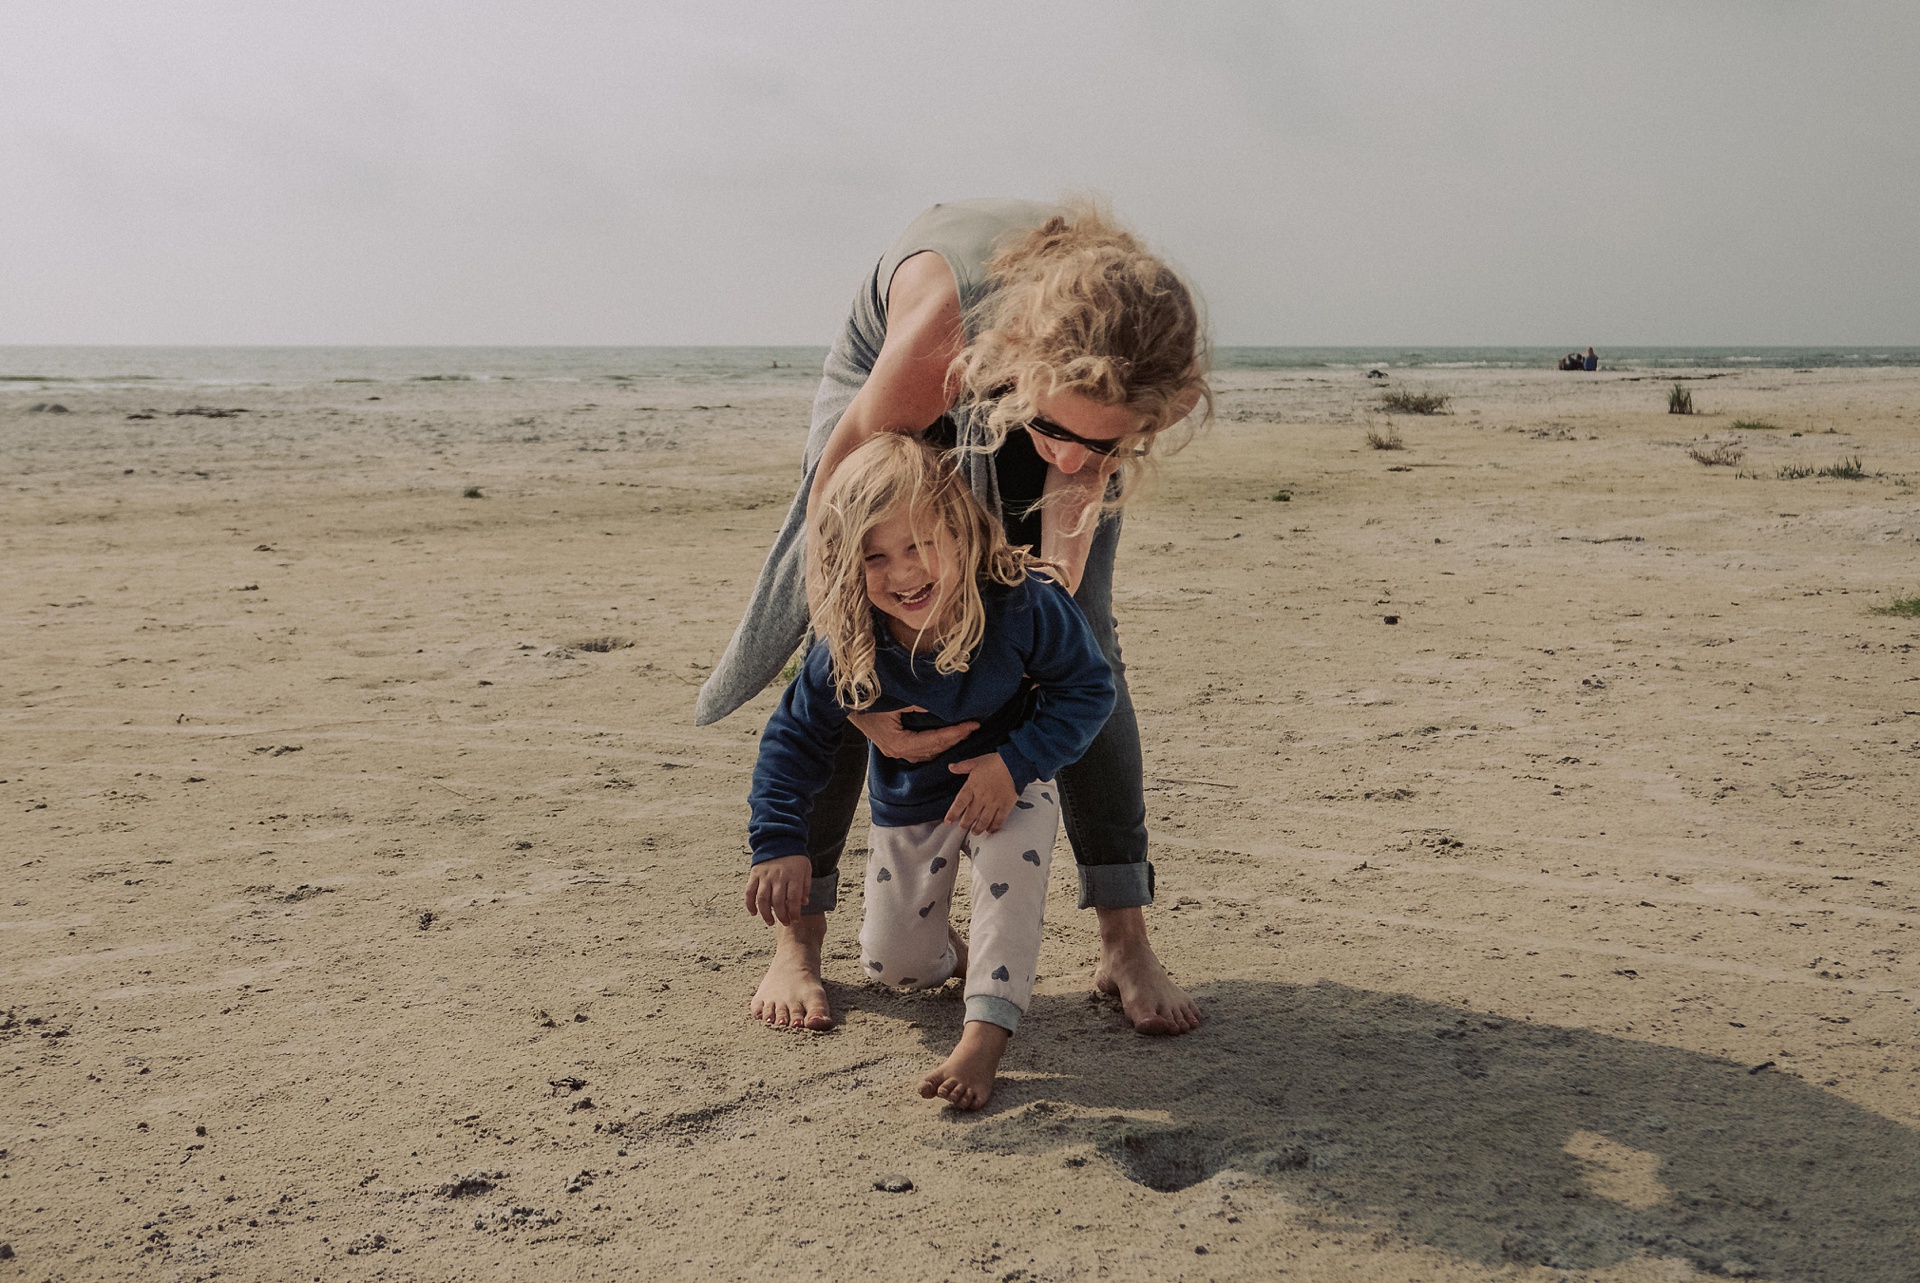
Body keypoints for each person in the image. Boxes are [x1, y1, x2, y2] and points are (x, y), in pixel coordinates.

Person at [697, 198, 1210, 1037]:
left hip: (1054, 390)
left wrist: (1031, 660)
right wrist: (859, 694)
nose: (1080, 460)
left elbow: (1069, 502)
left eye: (1113, 445)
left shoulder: (1155, 380)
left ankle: (1125, 939)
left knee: (1087, 649)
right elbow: (829, 541)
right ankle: (798, 939)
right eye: (1062, 434)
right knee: (859, 643)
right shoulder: (943, 335)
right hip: (896, 398)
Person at [745, 434, 1116, 1108]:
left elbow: (1089, 690)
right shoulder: (850, 643)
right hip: (913, 802)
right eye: (875, 556)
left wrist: (1015, 763)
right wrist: (779, 843)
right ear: (844, 564)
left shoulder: (1020, 602)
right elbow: (792, 739)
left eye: (920, 544)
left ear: (960, 531)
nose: (904, 572)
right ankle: (955, 950)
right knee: (896, 967)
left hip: (1009, 787)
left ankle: (986, 1035)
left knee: (1012, 867)